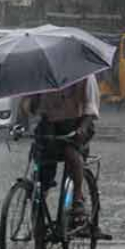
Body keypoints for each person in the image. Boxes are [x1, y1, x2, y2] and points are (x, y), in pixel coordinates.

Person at [24, 75, 100, 224]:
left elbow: (91, 110)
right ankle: (39, 238)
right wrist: (33, 100)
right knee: (40, 178)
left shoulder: (85, 76)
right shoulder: (42, 76)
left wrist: (81, 129)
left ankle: (77, 198)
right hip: (50, 128)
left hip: (78, 125)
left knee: (70, 152)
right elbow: (29, 108)